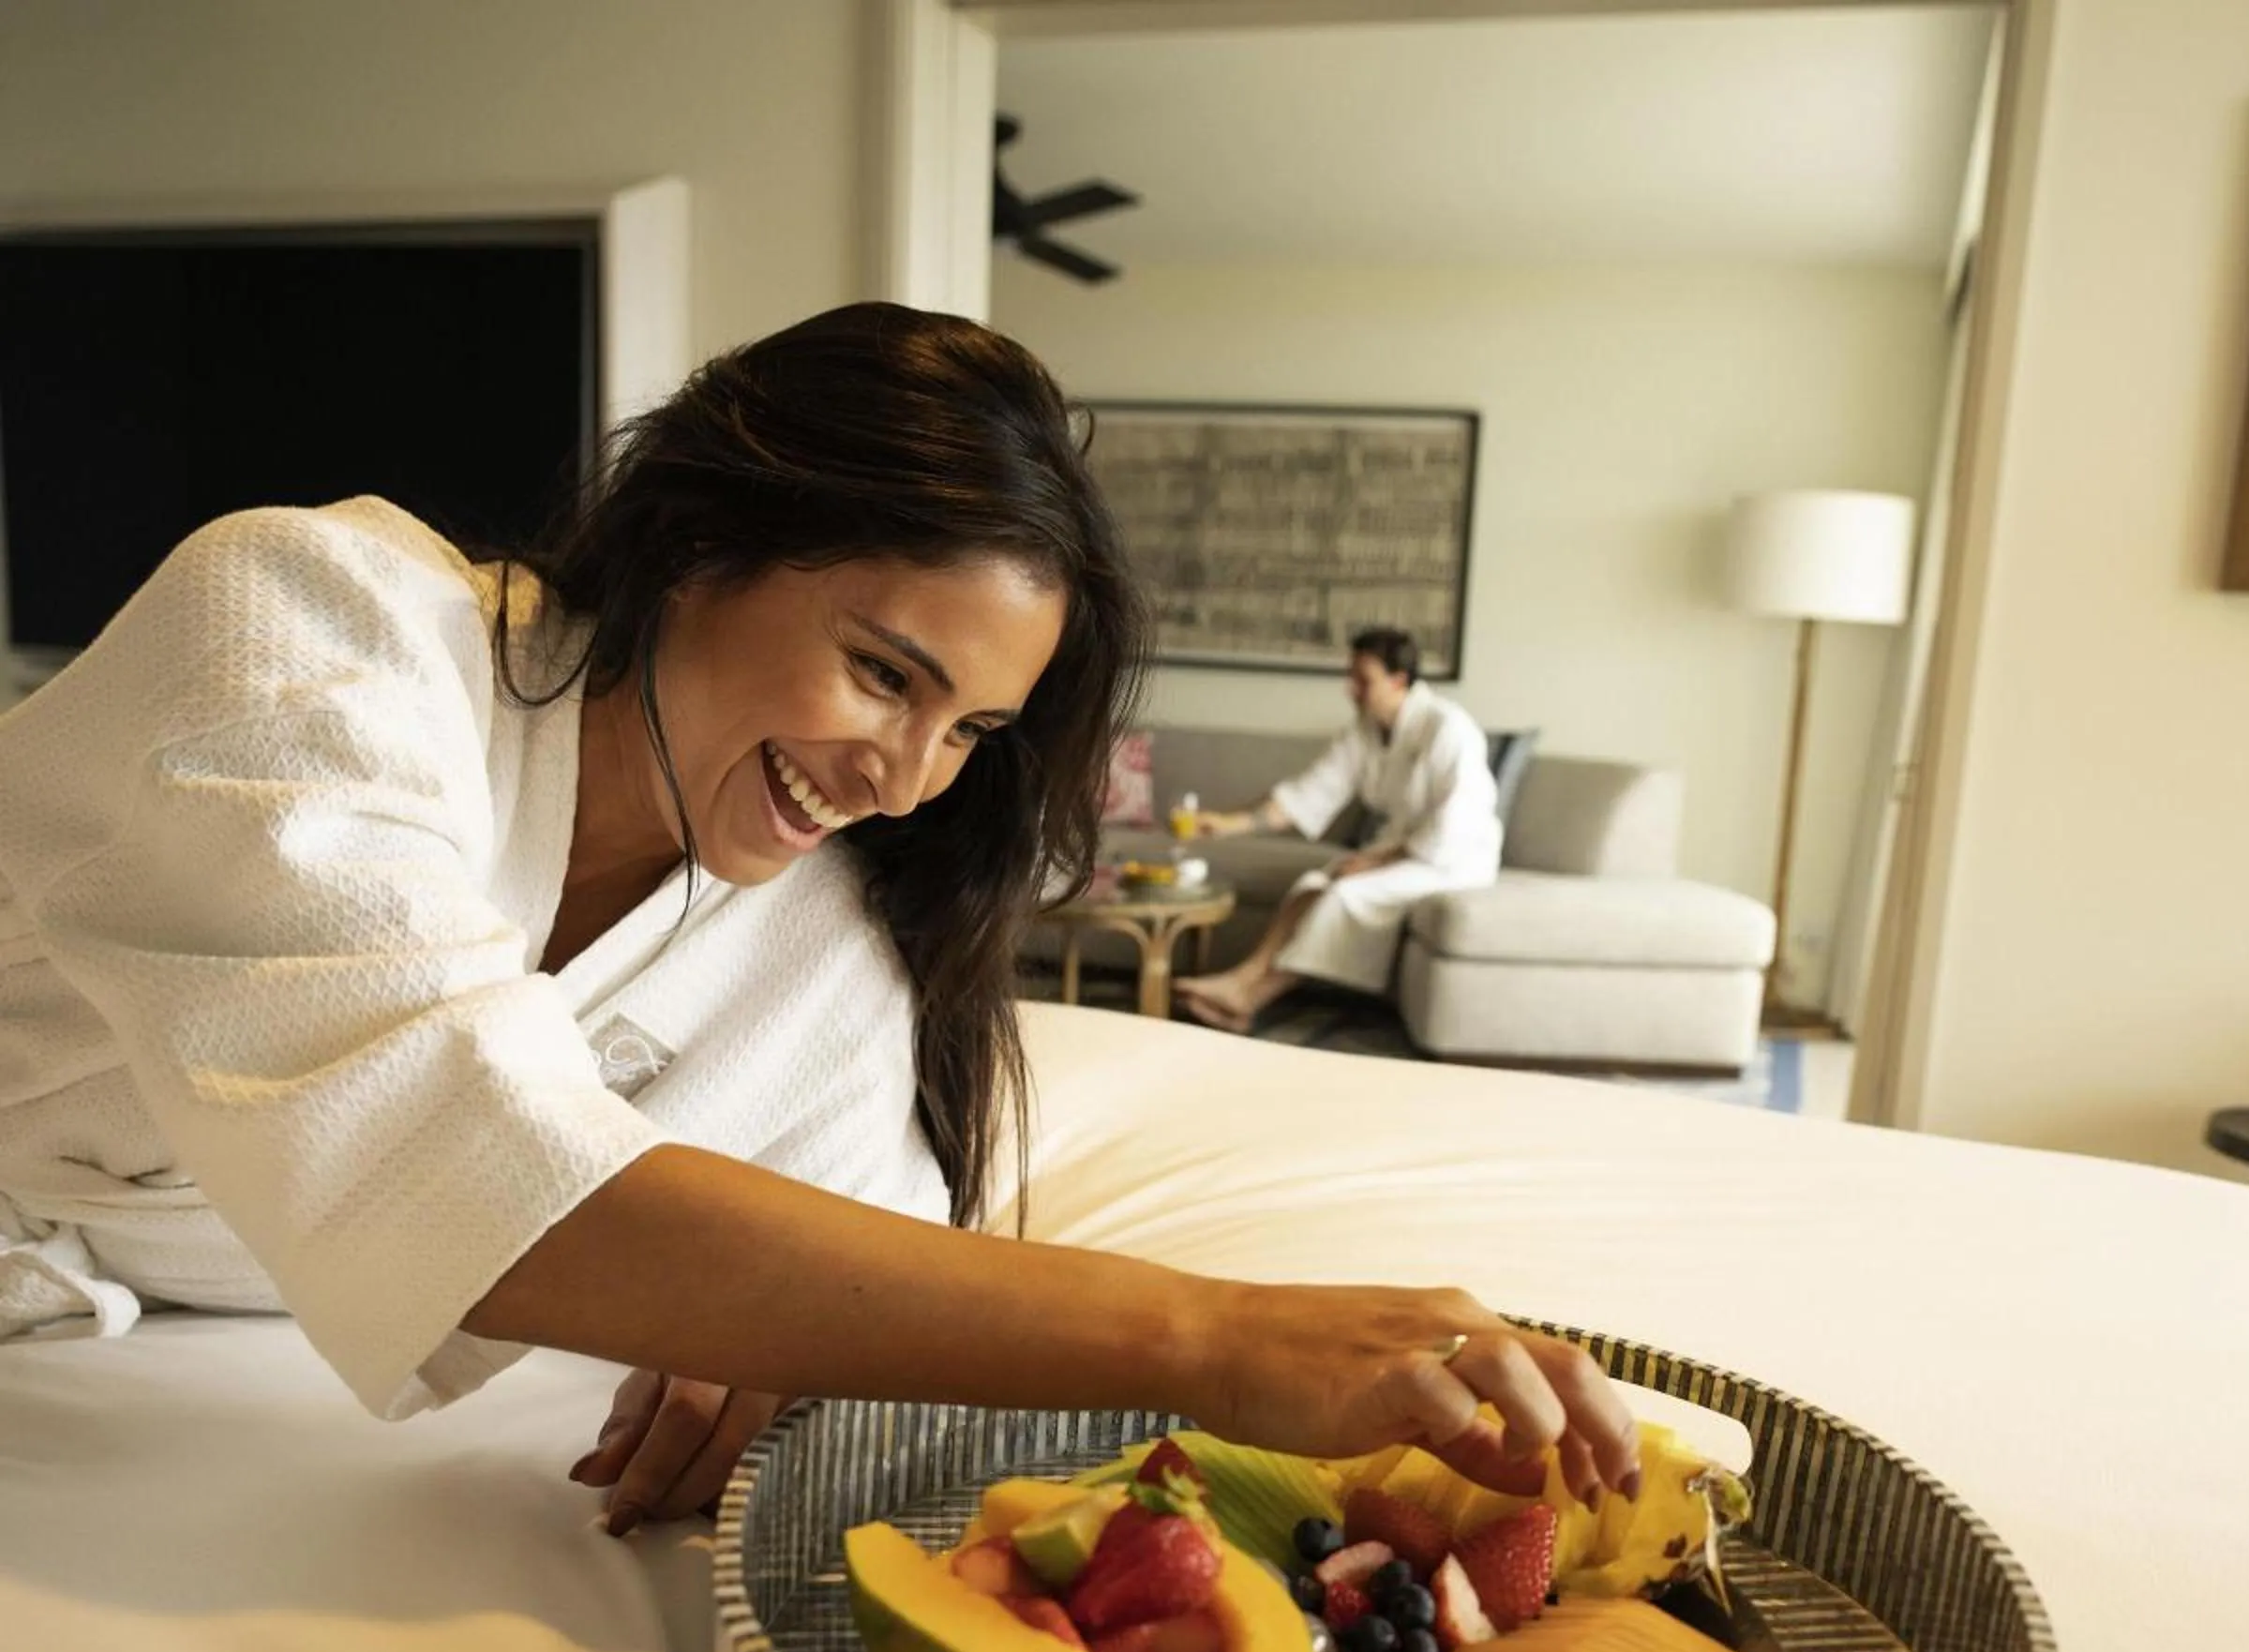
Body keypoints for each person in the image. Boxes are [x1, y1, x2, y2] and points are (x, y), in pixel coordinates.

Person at [0, 305, 1636, 1530]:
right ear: (697, 542)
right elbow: (462, 1165)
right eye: (881, 673)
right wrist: (1210, 1333)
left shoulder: (811, 927)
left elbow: (886, 1254)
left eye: (969, 731)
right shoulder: (305, 631)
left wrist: (785, 1324)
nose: (906, 781)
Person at [1173, 628, 1503, 1032]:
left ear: (1399, 680)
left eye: (1363, 680)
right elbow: (1307, 795)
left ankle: (1251, 998)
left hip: (1452, 860)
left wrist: (1375, 862)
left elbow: (1454, 824)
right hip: (1402, 849)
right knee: (1313, 884)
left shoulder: (1448, 728)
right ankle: (1241, 980)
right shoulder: (1365, 731)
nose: (1351, 689)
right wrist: (1227, 823)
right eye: (1351, 677)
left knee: (1346, 894)